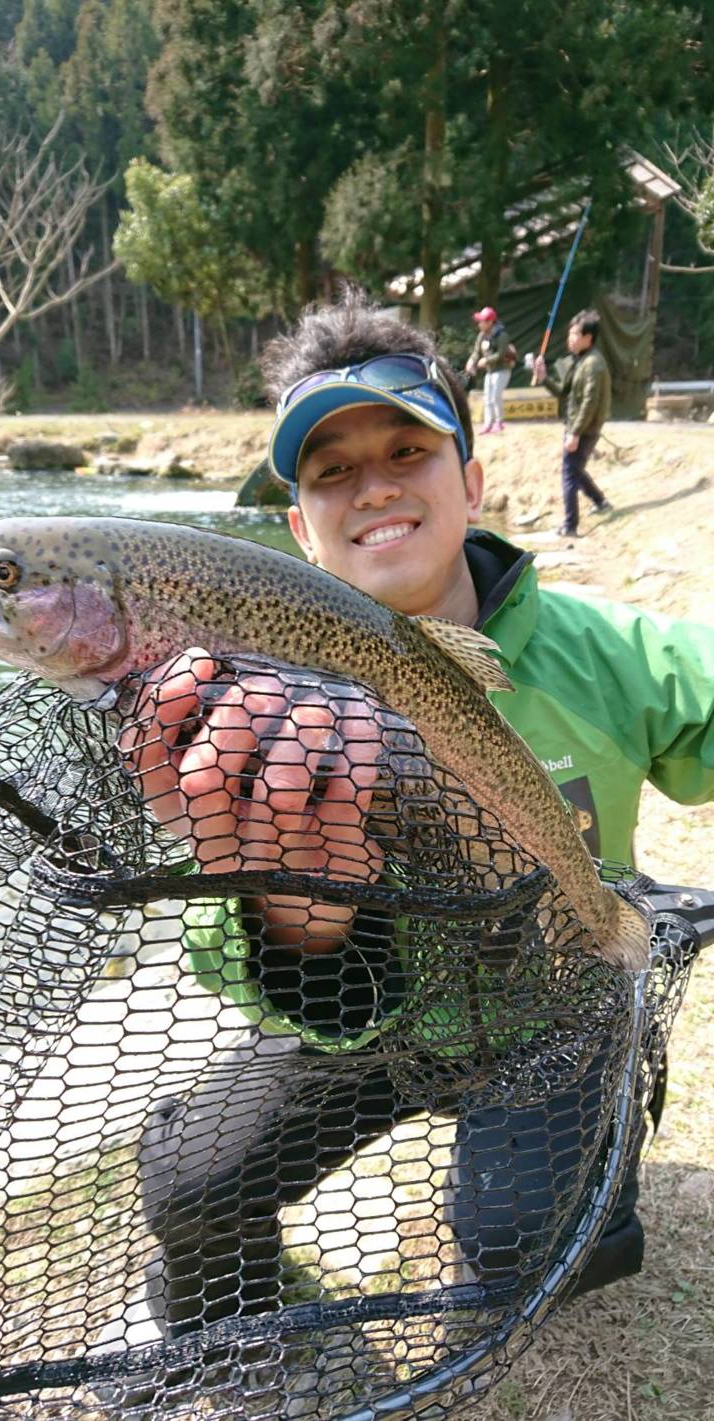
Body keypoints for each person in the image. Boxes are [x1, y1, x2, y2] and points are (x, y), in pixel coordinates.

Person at [121, 289, 714, 1366]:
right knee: (188, 1182)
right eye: (330, 470)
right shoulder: (242, 699)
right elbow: (223, 955)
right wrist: (301, 919)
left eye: (407, 448)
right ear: (297, 525)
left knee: (525, 1244)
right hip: (371, 1025)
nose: (374, 487)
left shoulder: (608, 654)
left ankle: (600, 1145)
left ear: (472, 482)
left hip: (553, 1013)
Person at [533, 308, 613, 538]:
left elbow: (590, 402)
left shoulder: (594, 365)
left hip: (585, 428)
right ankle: (600, 501)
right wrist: (543, 377)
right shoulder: (578, 361)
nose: (570, 339)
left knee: (569, 473)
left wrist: (575, 433)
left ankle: (570, 525)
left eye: (575, 334)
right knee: (575, 470)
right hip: (576, 426)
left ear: (588, 337)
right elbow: (562, 393)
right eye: (570, 334)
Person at [465, 304, 513, 434]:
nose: (480, 323)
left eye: (482, 321)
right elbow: (476, 352)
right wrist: (471, 361)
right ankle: (488, 424)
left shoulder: (501, 335)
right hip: (490, 371)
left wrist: (486, 360)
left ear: (490, 322)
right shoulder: (481, 335)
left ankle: (499, 422)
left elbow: (501, 354)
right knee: (487, 397)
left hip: (502, 370)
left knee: (495, 396)